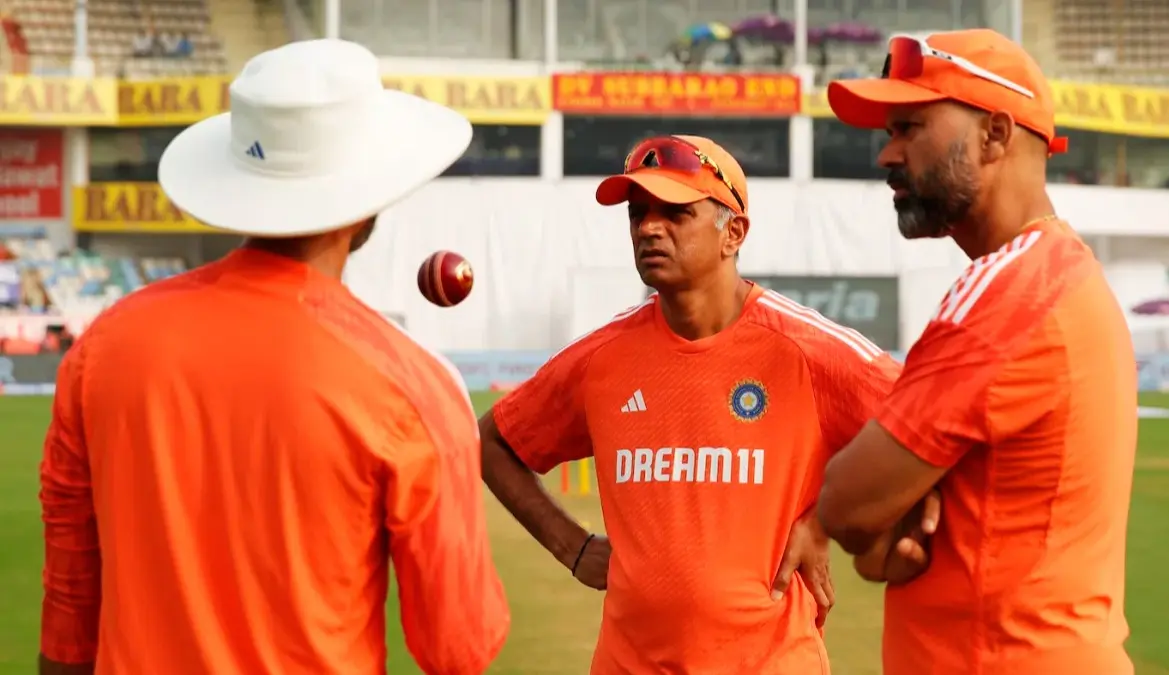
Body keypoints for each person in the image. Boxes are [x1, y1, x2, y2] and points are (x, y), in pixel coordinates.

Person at [37, 39, 509, 675]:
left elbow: (68, 621)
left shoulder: (105, 343)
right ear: (368, 202)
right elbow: (459, 646)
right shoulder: (411, 386)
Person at [479, 135, 902, 673]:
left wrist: (825, 520)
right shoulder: (601, 358)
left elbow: (927, 427)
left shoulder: (807, 349)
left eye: (676, 212)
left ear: (734, 233)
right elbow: (491, 442)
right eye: (638, 213)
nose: (649, 227)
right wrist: (573, 547)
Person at [815, 29, 1138, 674]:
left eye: (910, 127)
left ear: (994, 134)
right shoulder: (1058, 271)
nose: (887, 155)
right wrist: (898, 513)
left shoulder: (1007, 294)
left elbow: (845, 507)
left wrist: (882, 518)